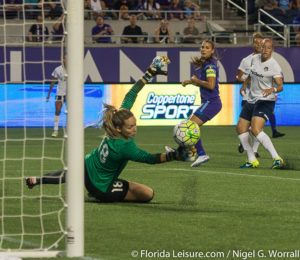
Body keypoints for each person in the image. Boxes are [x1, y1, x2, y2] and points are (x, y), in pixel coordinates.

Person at [26, 57, 185, 203]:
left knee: (69, 174)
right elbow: (149, 158)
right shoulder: (125, 146)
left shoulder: (116, 120)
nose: (134, 129)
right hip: (101, 188)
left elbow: (131, 94)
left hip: (87, 166)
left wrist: (149, 74)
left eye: (134, 124)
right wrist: (175, 155)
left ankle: (37, 180)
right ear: (119, 128)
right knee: (148, 194)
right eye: (130, 127)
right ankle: (97, 193)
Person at [167, 39, 222, 167]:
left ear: (212, 50)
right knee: (189, 126)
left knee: (190, 126)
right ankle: (183, 152)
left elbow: (211, 85)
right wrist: (190, 81)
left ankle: (201, 154)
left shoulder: (210, 66)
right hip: (210, 102)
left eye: (207, 47)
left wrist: (196, 81)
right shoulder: (208, 64)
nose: (203, 49)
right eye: (202, 47)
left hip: (211, 102)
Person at [236, 38, 284, 169]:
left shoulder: (274, 65)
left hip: (265, 100)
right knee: (240, 128)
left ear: (272, 50)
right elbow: (250, 74)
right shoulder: (254, 59)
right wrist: (244, 85)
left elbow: (280, 86)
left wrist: (271, 89)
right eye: (263, 47)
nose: (265, 50)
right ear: (260, 48)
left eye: (268, 48)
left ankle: (277, 158)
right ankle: (252, 159)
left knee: (256, 129)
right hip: (251, 98)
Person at [46, 54, 67, 137]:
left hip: (70, 94)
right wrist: (48, 94)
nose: (66, 60)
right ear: (63, 59)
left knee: (69, 113)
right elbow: (53, 82)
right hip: (60, 93)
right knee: (58, 110)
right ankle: (55, 130)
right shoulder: (58, 69)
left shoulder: (73, 69)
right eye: (65, 58)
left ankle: (67, 131)